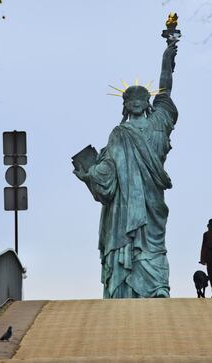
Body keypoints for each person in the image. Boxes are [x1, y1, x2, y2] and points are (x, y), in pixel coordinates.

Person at [73, 41, 179, 298]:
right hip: (126, 206)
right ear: (126, 104)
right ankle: (134, 290)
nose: (136, 102)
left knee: (151, 245)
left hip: (150, 201)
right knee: (143, 246)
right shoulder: (119, 134)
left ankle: (155, 287)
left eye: (140, 97)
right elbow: (108, 170)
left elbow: (165, 90)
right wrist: (90, 173)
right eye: (131, 98)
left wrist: (167, 58)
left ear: (146, 102)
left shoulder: (158, 124)